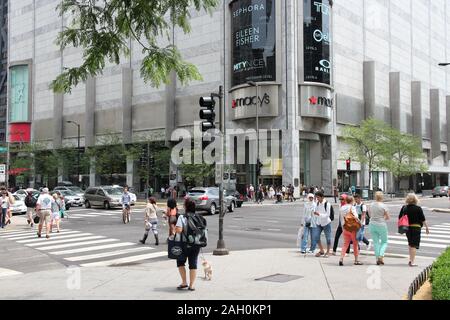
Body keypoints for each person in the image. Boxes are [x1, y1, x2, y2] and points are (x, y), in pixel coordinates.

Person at [175, 199, 202, 291]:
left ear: (185, 206)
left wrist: (175, 227)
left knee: (180, 263)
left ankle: (184, 282)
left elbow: (178, 230)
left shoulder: (182, 217)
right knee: (193, 264)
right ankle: (192, 285)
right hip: (196, 244)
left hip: (183, 244)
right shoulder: (199, 217)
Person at [399, 193, 430, 267]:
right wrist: (426, 227)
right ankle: (412, 262)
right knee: (413, 245)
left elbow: (400, 217)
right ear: (415, 199)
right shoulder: (418, 208)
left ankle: (410, 260)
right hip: (416, 228)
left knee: (410, 244)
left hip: (407, 228)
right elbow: (423, 219)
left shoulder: (404, 208)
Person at [339, 195, 363, 266]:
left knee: (345, 244)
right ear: (352, 201)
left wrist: (343, 226)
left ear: (346, 200)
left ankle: (341, 258)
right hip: (352, 229)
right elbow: (356, 217)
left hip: (345, 228)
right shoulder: (352, 207)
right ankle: (356, 260)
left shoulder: (341, 208)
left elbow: (341, 219)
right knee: (355, 244)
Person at [368, 191, 390, 265]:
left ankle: (378, 258)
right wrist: (382, 217)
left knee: (376, 242)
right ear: (382, 197)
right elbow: (387, 217)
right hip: (381, 224)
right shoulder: (383, 206)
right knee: (384, 241)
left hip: (372, 224)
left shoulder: (371, 205)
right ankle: (381, 255)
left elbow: (370, 214)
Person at [311, 191, 332, 258]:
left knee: (328, 238)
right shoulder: (317, 203)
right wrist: (315, 213)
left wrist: (318, 214)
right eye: (316, 197)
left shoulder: (327, 204)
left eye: (318, 197)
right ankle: (322, 250)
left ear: (322, 197)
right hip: (319, 222)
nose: (317, 199)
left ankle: (328, 252)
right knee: (316, 237)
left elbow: (327, 215)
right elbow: (316, 211)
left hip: (326, 223)